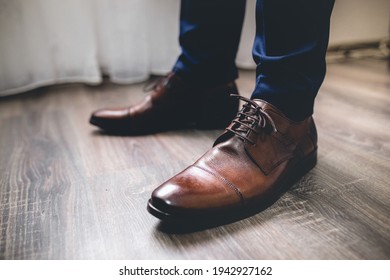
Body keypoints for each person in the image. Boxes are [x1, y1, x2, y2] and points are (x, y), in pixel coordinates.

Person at [90, 0, 335, 222]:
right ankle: (203, 78)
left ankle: (287, 108)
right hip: (205, 76)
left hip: (289, 102)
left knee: (286, 82)